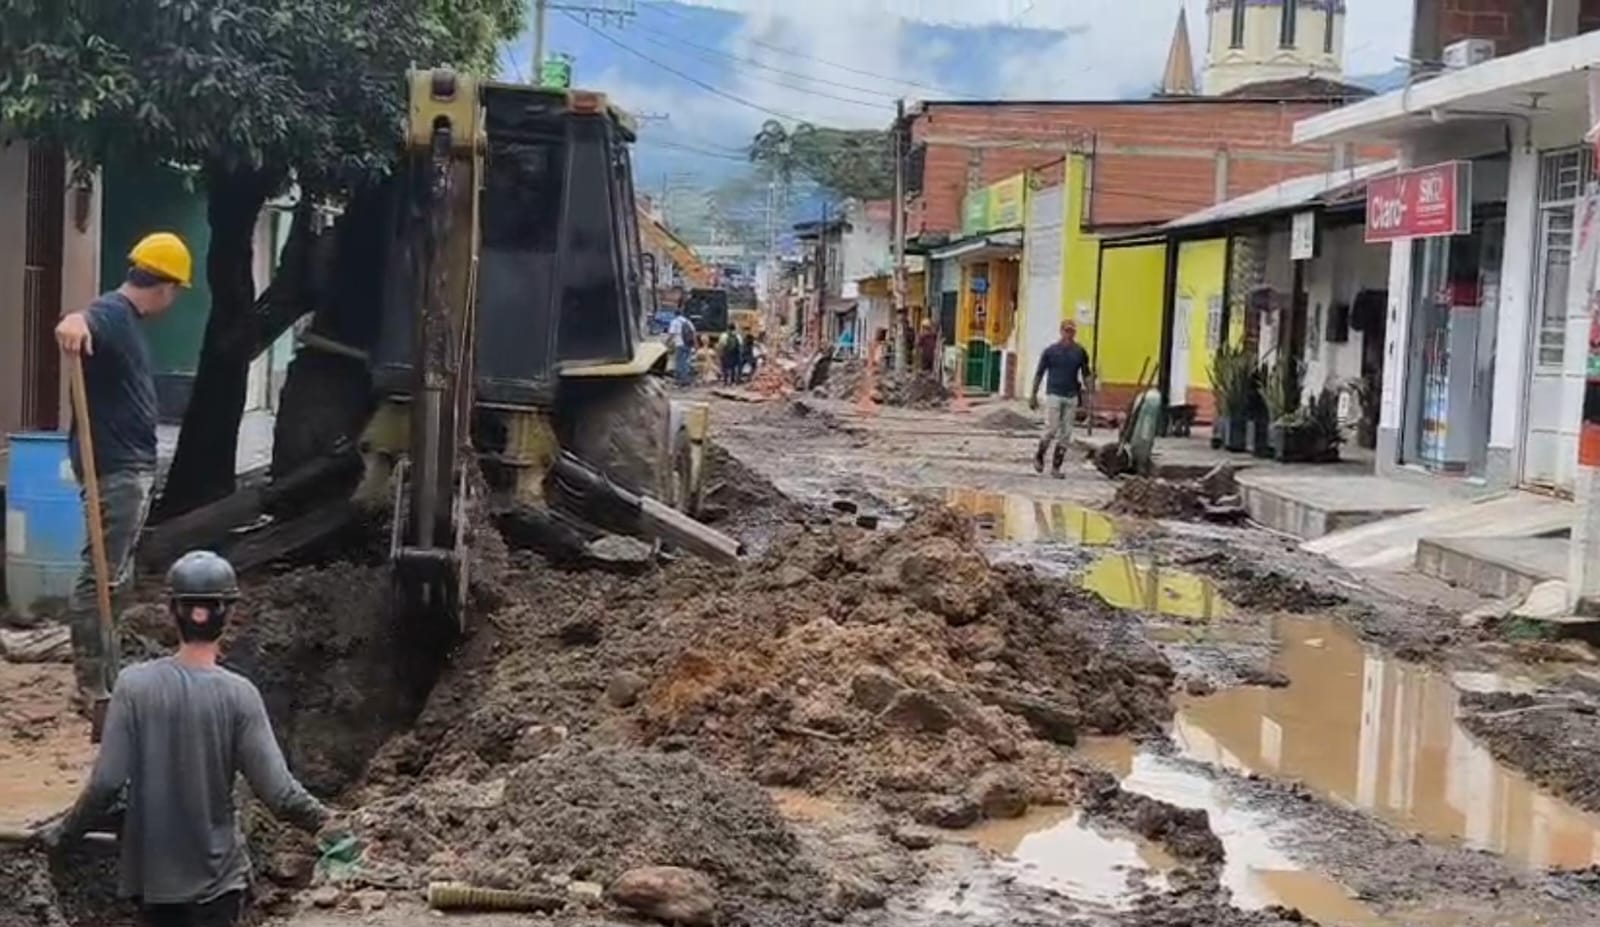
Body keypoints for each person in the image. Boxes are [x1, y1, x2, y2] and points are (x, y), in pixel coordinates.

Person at [38, 551, 337, 927]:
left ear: (171, 611)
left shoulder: (133, 685)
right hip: (219, 886)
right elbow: (280, 794)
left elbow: (107, 783)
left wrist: (64, 835)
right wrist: (334, 825)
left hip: (155, 884)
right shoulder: (240, 695)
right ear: (227, 615)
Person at [54, 232, 192, 709]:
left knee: (117, 575)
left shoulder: (125, 320)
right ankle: (94, 686)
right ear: (166, 286)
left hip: (126, 465)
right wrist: (72, 323)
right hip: (116, 467)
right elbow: (78, 321)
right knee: (102, 576)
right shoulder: (112, 313)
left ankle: (111, 674)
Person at [1029, 319, 1093, 478]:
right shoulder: (1050, 352)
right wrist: (1033, 395)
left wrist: (1089, 395)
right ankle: (1040, 454)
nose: (1069, 334)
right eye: (1066, 331)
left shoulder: (1080, 352)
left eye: (1071, 331)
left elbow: (1086, 374)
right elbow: (1039, 373)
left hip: (1071, 396)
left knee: (1066, 434)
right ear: (1061, 331)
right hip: (1054, 394)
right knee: (1051, 429)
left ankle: (1056, 467)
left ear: (1075, 333)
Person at [666, 307, 696, 387]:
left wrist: (666, 343)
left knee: (679, 362)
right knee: (686, 361)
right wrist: (695, 345)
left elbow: (671, 334)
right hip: (688, 344)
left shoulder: (674, 322)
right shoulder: (688, 321)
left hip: (679, 344)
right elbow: (693, 333)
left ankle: (680, 380)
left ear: (675, 314)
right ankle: (687, 379)